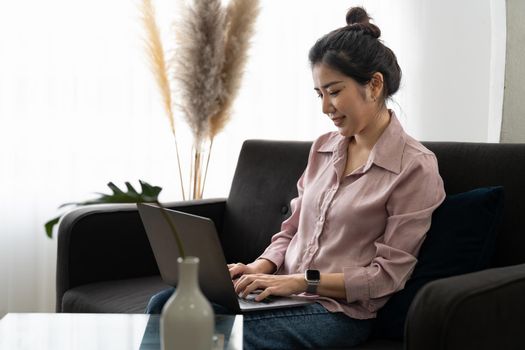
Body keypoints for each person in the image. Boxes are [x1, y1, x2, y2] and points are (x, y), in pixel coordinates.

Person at [147, 6, 446, 349]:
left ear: (374, 84)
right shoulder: (323, 148)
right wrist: (258, 266)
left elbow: (387, 276)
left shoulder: (415, 168)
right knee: (164, 305)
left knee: (224, 336)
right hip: (281, 292)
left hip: (336, 313)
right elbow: (291, 228)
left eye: (334, 91)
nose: (325, 107)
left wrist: (301, 282)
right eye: (320, 94)